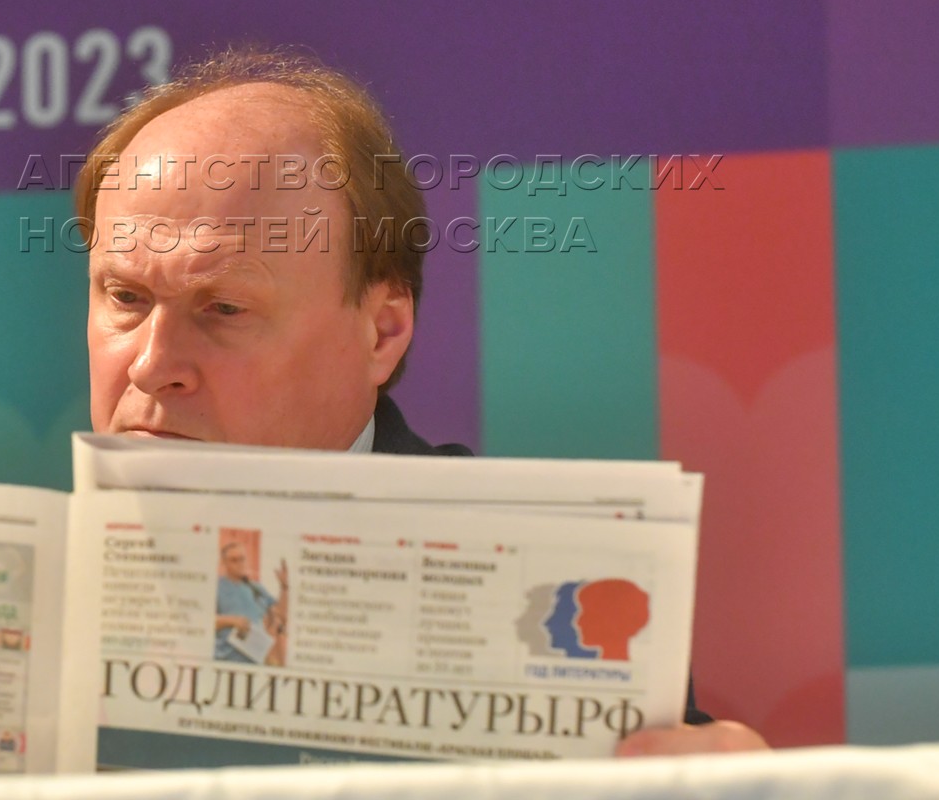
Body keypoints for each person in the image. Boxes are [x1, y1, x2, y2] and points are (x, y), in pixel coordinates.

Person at [76, 46, 767, 757]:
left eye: (223, 308)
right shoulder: (36, 578)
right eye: (125, 297)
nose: (152, 367)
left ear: (381, 333)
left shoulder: (565, 586)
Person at [213, 538, 288, 666]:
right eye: (234, 560)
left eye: (242, 559)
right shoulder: (217, 587)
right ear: (224, 563)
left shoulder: (256, 587)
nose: (239, 564)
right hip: (225, 661)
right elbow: (203, 621)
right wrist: (231, 620)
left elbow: (281, 615)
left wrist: (284, 586)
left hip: (254, 663)